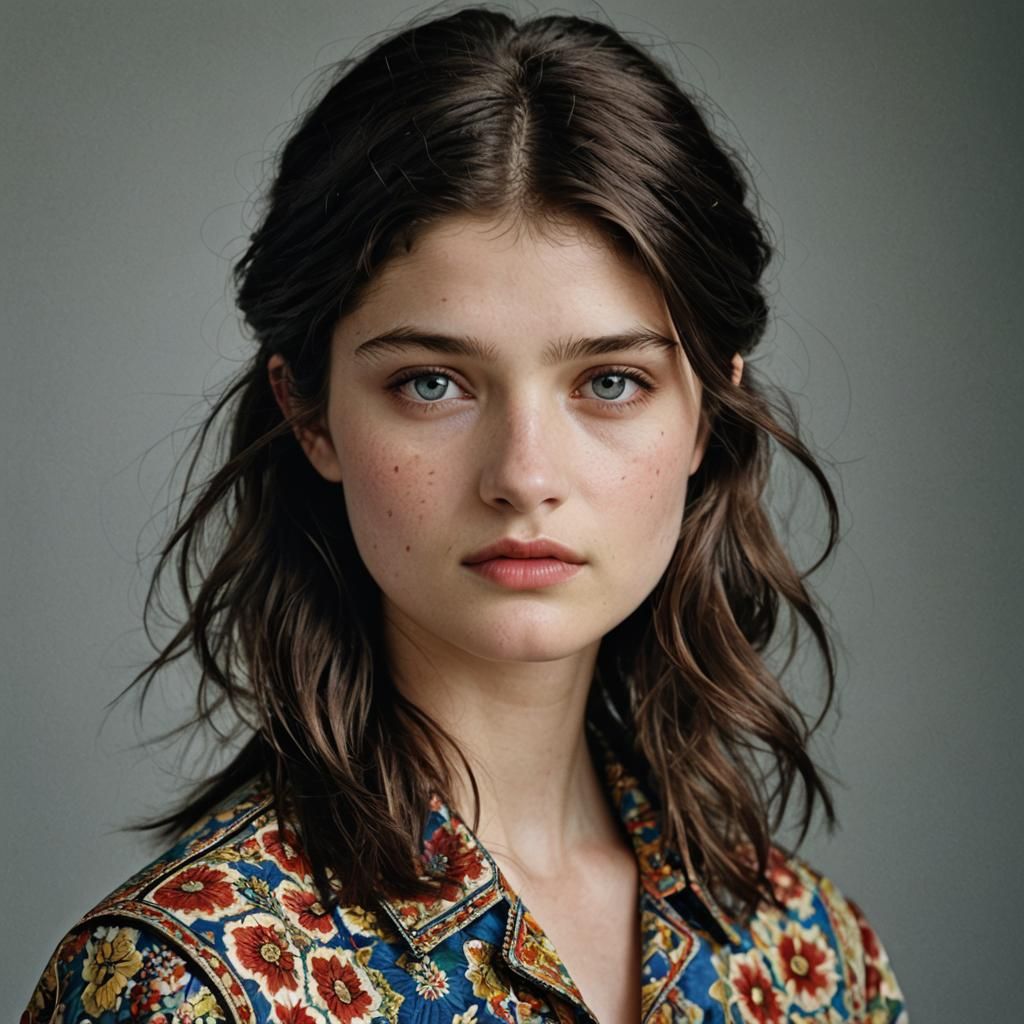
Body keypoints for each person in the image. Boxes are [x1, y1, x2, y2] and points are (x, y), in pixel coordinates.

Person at [22, 7, 907, 1023]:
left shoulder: (813, 959)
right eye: (432, 383)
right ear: (308, 413)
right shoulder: (184, 986)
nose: (524, 476)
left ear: (707, 411)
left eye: (610, 382)